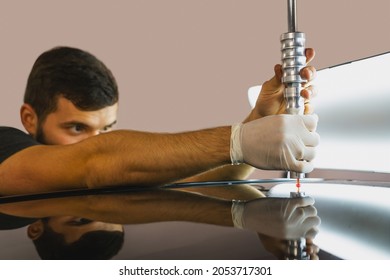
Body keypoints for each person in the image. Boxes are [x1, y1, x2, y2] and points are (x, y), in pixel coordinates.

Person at [0, 46, 320, 259]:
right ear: (30, 119)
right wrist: (238, 140)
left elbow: (198, 179)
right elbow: (92, 163)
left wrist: (255, 126)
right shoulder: (5, 147)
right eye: (77, 129)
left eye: (107, 130)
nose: (93, 142)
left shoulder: (118, 166)